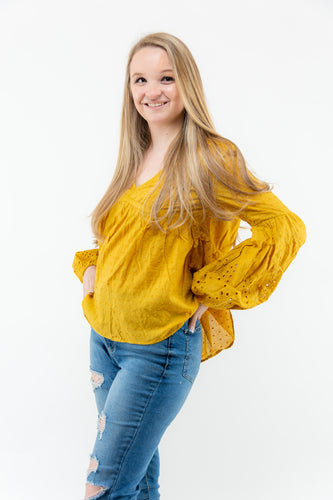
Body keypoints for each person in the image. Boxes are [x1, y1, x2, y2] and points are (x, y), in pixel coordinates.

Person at [72, 32, 306, 500]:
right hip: (105, 339)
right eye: (139, 79)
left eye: (165, 77)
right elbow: (126, 240)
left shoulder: (210, 158)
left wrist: (212, 290)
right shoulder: (134, 156)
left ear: (188, 85)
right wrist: (93, 270)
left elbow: (283, 226)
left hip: (157, 348)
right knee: (136, 485)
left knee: (104, 488)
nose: (150, 90)